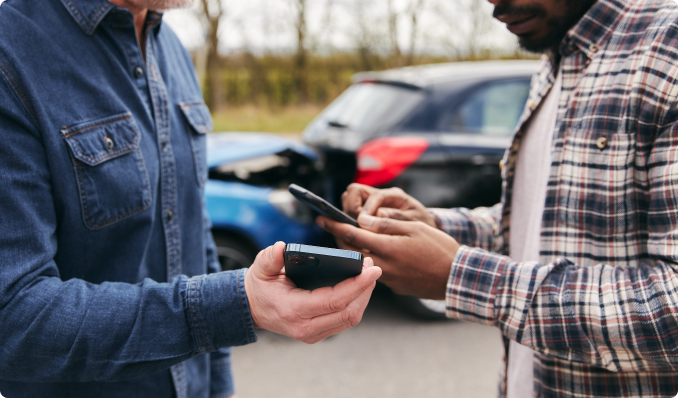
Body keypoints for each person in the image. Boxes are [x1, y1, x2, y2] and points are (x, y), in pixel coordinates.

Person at [0, 0, 381, 397]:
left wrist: (219, 387)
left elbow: (194, 242)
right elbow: (10, 315)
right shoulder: (10, 49)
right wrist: (236, 305)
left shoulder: (171, 49)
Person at [319, 0, 678, 397]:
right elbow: (537, 226)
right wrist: (433, 226)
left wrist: (461, 276)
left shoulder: (667, 48)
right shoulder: (556, 55)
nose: (495, 5)